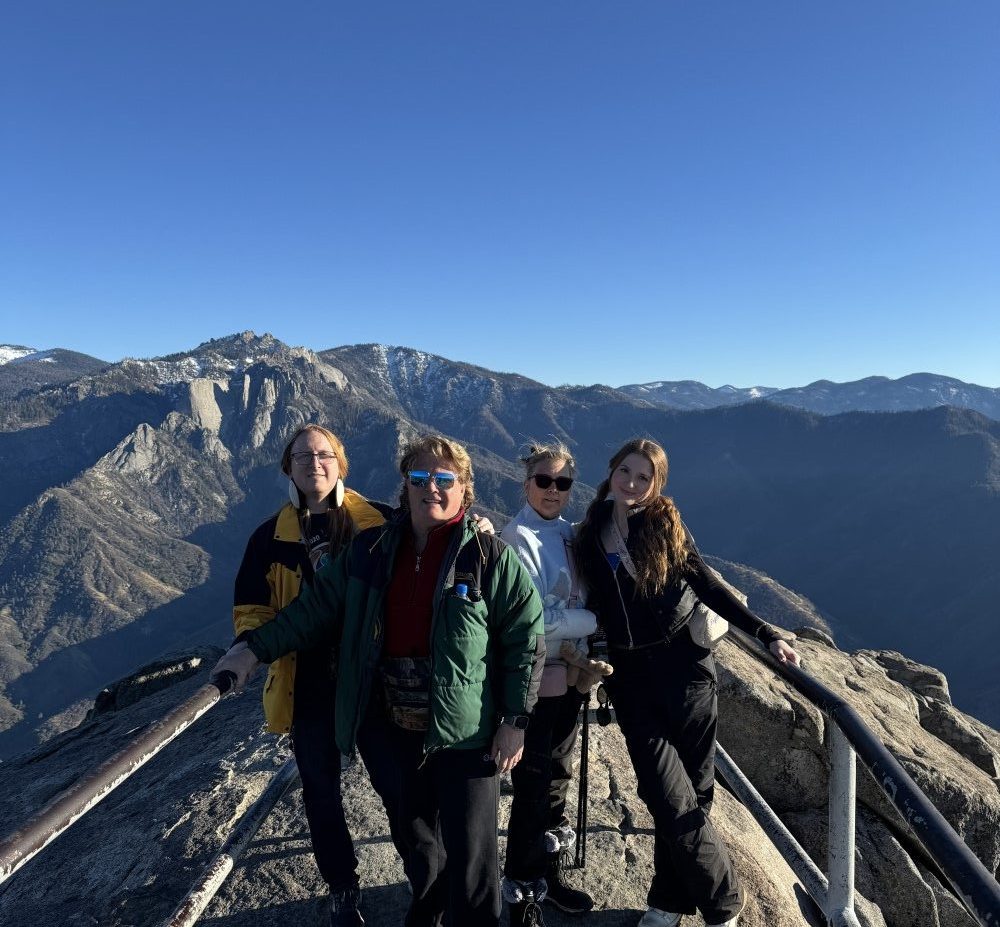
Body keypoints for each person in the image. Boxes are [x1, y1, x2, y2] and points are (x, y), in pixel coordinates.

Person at [215, 434, 545, 927]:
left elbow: (526, 640)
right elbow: (312, 610)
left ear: (465, 490)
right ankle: (428, 915)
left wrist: (514, 721)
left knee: (473, 858)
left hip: (467, 734)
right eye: (418, 478)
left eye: (443, 479)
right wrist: (251, 650)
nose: (430, 488)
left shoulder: (488, 558)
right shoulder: (371, 550)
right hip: (390, 728)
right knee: (415, 839)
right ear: (404, 488)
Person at [574, 438, 800, 927]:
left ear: (657, 484)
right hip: (631, 677)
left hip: (686, 670)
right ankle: (724, 903)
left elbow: (706, 582)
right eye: (626, 472)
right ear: (612, 471)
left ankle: (668, 902)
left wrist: (765, 632)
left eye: (644, 478)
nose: (632, 484)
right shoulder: (590, 532)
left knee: (692, 794)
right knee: (663, 791)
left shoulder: (664, 525)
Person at [232, 424, 387, 926]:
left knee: (398, 782)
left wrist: (479, 528)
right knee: (320, 790)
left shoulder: (378, 523)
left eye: (324, 454)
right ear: (287, 467)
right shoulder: (270, 537)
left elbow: (436, 542)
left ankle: (427, 875)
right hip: (307, 681)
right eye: (302, 456)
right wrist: (249, 647)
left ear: (341, 463)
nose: (313, 463)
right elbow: (251, 608)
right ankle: (343, 887)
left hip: (373, 679)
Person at [499, 443, 599, 925]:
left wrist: (575, 626)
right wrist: (592, 621)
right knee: (534, 781)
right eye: (543, 481)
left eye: (562, 483)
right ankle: (521, 886)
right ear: (526, 483)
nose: (552, 490)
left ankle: (548, 874)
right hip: (536, 678)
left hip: (571, 677)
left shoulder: (570, 535)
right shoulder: (516, 537)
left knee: (556, 776)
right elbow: (533, 619)